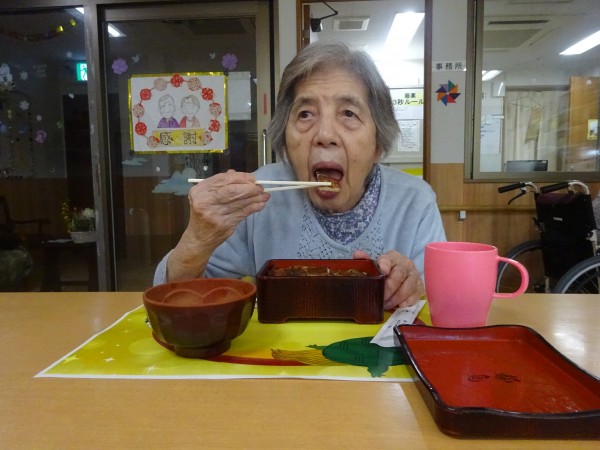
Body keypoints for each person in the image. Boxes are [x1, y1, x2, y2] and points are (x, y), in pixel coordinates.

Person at [154, 40, 446, 310]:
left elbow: (435, 308)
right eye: (305, 114)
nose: (325, 135)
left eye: (348, 114)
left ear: (378, 143)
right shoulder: (258, 197)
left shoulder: (414, 202)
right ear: (284, 136)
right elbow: (178, 299)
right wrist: (196, 241)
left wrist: (411, 290)